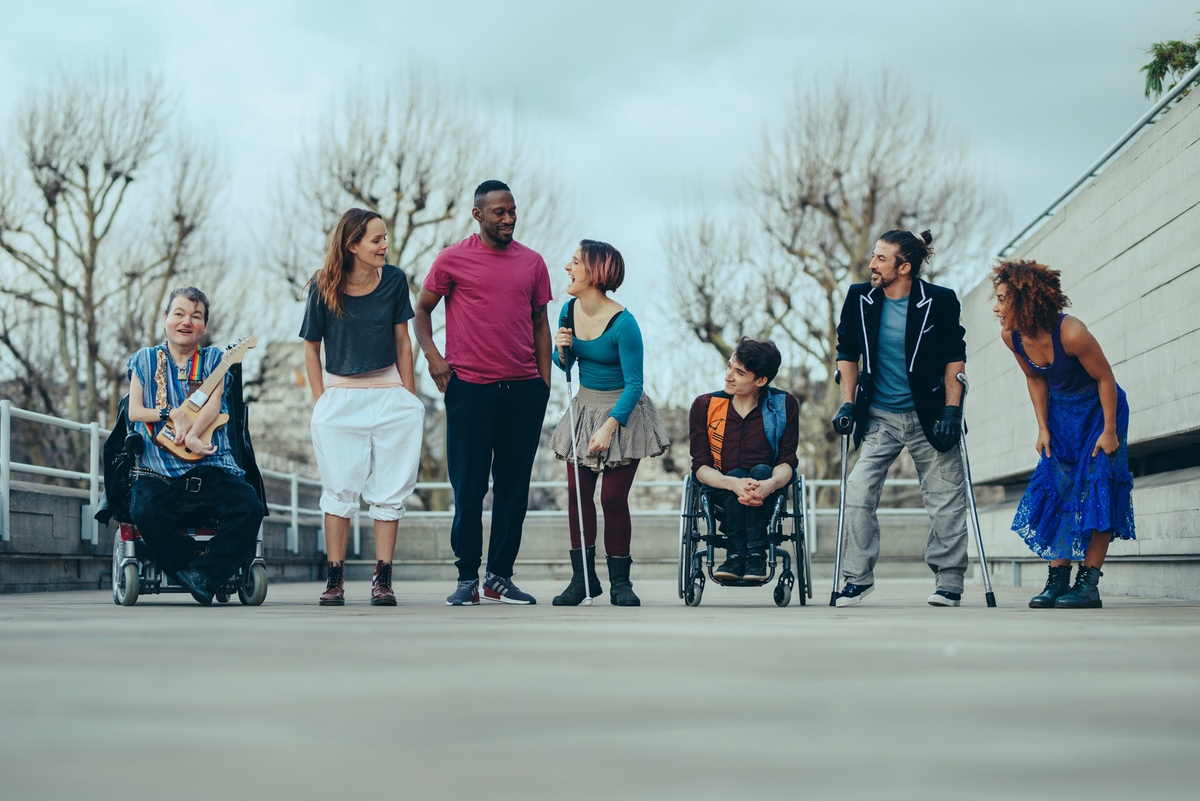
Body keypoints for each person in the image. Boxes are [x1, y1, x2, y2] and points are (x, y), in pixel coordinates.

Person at [414, 180, 552, 606]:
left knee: (514, 489)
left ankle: (500, 578)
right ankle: (466, 577)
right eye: (499, 212)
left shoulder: (532, 263)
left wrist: (542, 384)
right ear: (478, 215)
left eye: (512, 211)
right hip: (470, 390)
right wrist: (434, 359)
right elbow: (420, 311)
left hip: (523, 391)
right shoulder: (452, 260)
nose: (508, 218)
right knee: (469, 488)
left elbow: (540, 323)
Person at [831, 229, 970, 607]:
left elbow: (954, 358)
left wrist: (952, 410)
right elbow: (847, 351)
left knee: (945, 497)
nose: (872, 264)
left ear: (904, 267)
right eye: (874, 256)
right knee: (858, 490)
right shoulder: (860, 298)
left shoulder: (939, 301)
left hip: (929, 414)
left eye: (881, 258)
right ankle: (857, 578)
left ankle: (950, 579)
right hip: (879, 416)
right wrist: (847, 403)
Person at [992, 260, 1135, 608]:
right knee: (1058, 491)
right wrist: (1042, 427)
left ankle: (1088, 584)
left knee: (1099, 488)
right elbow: (1035, 378)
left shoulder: (1071, 332)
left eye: (1002, 300)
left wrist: (1111, 431)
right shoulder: (1012, 336)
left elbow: (1106, 380)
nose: (996, 308)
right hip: (1061, 415)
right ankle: (1058, 582)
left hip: (1100, 411)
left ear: (1025, 302)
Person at [300, 208, 425, 606]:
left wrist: (409, 394)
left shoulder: (394, 280)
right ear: (352, 245)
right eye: (376, 239)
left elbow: (403, 341)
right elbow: (311, 348)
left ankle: (382, 578)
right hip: (340, 397)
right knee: (339, 490)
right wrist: (322, 402)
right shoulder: (323, 286)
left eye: (385, 237)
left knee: (390, 491)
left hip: (390, 393)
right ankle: (334, 578)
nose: (384, 245)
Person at [547, 240, 670, 606]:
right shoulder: (567, 312)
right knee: (577, 497)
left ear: (595, 272)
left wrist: (610, 425)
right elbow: (565, 366)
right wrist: (561, 349)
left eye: (574, 263)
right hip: (583, 409)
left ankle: (621, 583)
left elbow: (635, 384)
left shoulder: (625, 324)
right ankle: (582, 580)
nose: (567, 268)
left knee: (613, 498)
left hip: (623, 414)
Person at [125, 287, 265, 605]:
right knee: (143, 510)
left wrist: (192, 434)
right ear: (165, 320)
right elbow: (135, 411)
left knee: (250, 508)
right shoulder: (144, 360)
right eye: (179, 313)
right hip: (155, 466)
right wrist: (170, 413)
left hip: (209, 462)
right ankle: (194, 569)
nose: (187, 321)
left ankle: (203, 573)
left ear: (203, 325)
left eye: (196, 316)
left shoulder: (215, 359)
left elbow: (213, 407)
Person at [689, 339, 799, 582]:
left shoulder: (783, 405)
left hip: (767, 492)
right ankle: (739, 553)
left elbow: (787, 461)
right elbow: (700, 466)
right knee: (737, 474)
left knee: (761, 471)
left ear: (760, 380)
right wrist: (731, 483)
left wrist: (769, 485)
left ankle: (753, 554)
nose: (728, 376)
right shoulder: (705, 406)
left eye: (739, 372)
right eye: (729, 367)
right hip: (722, 489)